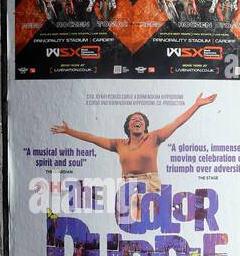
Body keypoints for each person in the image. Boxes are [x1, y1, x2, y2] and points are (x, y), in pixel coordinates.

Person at [49, 94, 217, 221]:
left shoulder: (154, 137)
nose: (138, 120)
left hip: (150, 184)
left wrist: (197, 105)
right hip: (128, 184)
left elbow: (176, 123)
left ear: (145, 126)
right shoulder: (118, 144)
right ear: (128, 126)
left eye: (141, 119)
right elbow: (92, 138)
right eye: (133, 119)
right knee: (131, 220)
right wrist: (68, 131)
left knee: (150, 218)